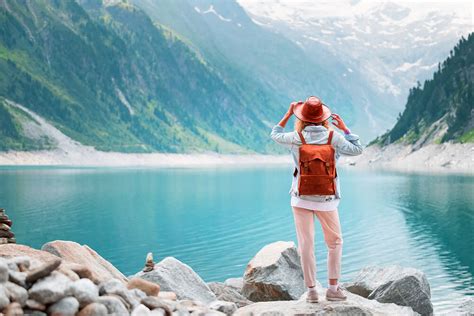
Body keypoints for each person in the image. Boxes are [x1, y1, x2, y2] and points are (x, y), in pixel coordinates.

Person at [270, 96, 363, 303]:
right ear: (324, 118)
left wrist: (287, 113)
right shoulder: (334, 137)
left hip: (300, 198)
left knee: (306, 245)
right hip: (326, 199)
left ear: (302, 117)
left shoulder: (296, 137)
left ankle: (312, 291)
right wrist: (346, 129)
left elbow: (274, 134)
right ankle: (332, 289)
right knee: (335, 242)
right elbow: (357, 150)